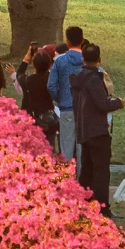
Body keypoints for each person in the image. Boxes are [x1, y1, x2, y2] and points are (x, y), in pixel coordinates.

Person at [70, 42, 124, 216]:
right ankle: (102, 206)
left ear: (83, 59)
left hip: (84, 129)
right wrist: (118, 103)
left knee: (86, 168)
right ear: (99, 59)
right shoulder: (94, 79)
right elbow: (102, 104)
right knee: (101, 170)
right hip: (98, 130)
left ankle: (83, 201)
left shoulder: (77, 77)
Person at [47, 25, 85, 170]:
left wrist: (59, 98)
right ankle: (82, 181)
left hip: (66, 107)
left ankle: (67, 182)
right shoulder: (87, 60)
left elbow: (51, 85)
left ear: (67, 41)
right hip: (84, 109)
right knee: (82, 148)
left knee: (66, 148)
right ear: (81, 40)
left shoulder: (60, 61)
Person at [16, 47, 58, 146]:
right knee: (49, 147)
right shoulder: (51, 80)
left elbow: (19, 74)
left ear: (34, 65)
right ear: (49, 65)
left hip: (31, 118)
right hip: (48, 119)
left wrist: (27, 58)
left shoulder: (28, 80)